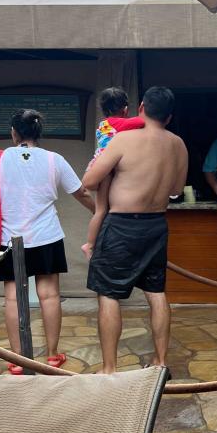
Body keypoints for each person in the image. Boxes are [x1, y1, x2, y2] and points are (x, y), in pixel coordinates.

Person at [0, 108, 95, 374]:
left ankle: (18, 360)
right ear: (39, 132)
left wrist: (8, 188)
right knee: (49, 295)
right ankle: (52, 355)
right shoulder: (54, 160)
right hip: (46, 236)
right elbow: (81, 192)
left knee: (12, 299)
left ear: (13, 132)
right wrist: (99, 213)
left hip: (10, 239)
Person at [82, 86, 188, 374]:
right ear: (168, 117)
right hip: (156, 224)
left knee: (108, 294)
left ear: (141, 107)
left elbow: (90, 181)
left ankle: (109, 368)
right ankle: (161, 360)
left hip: (121, 225)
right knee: (156, 292)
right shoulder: (178, 144)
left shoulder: (124, 139)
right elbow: (177, 190)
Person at [82, 87, 144, 260]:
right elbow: (142, 122)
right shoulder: (119, 123)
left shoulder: (104, 123)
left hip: (99, 165)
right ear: (125, 109)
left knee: (103, 209)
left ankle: (93, 243)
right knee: (102, 210)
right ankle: (90, 244)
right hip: (106, 169)